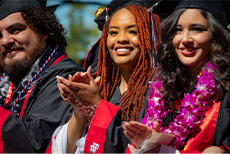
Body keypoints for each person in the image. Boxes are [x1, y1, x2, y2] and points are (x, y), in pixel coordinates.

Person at [52, 0, 166, 153]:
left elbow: (131, 147)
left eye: (133, 31)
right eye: (113, 32)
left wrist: (97, 106)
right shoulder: (103, 89)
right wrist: (81, 110)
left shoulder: (158, 93)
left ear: (149, 36)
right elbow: (67, 150)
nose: (121, 39)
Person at [122, 0, 230, 153]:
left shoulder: (226, 87)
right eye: (177, 30)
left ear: (216, 35)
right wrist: (148, 143)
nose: (185, 39)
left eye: (197, 29)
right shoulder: (161, 86)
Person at [0, 0, 83, 153]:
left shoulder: (67, 79)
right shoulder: (7, 81)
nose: (5, 41)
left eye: (15, 30)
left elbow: (34, 144)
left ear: (43, 31)